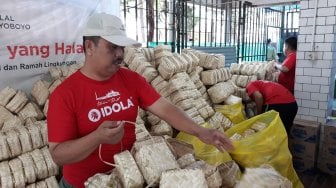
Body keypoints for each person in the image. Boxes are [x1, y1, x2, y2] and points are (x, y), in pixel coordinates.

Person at [47, 12, 234, 188]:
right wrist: (97, 138)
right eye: (112, 47)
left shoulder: (131, 79)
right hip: (83, 184)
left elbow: (165, 108)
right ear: (89, 47)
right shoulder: (65, 94)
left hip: (129, 178)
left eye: (121, 47)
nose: (120, 54)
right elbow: (58, 155)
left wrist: (201, 131)